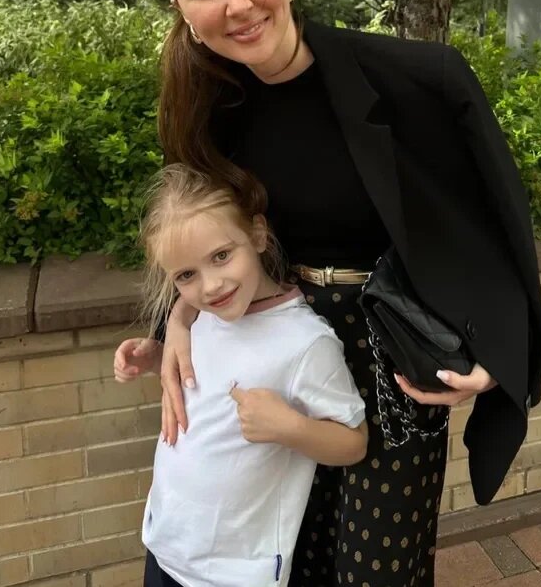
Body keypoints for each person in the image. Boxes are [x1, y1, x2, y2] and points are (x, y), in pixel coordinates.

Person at [135, 0, 541, 587]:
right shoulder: (208, 108)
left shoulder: (417, 79)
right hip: (276, 349)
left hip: (392, 357)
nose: (238, 3)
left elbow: (494, 225)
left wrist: (493, 353)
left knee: (376, 572)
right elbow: (201, 233)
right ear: (180, 6)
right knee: (289, 560)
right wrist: (177, 315)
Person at [114, 164, 367, 587]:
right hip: (166, 545)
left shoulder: (306, 343)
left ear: (258, 235)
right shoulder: (202, 319)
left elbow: (354, 442)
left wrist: (290, 427)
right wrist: (156, 360)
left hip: (234, 572)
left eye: (221, 256)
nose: (211, 286)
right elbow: (206, 379)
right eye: (186, 275)